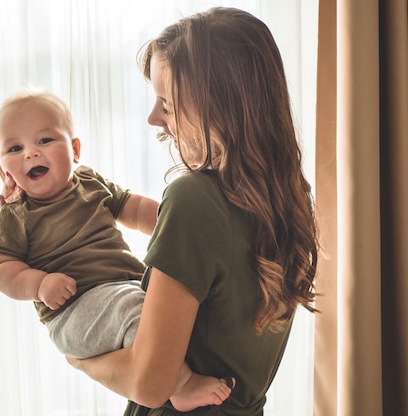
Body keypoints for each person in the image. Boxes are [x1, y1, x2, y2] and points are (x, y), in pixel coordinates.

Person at [66, 7, 319, 416]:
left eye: (166, 104)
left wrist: (77, 356)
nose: (153, 118)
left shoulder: (194, 199)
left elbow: (150, 385)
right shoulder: (287, 200)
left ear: (218, 106)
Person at [0, 88, 234, 411]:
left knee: (160, 302)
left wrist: (173, 222)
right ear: (0, 161)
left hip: (123, 288)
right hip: (73, 309)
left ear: (75, 149)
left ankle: (172, 368)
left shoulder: (89, 181)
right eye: (14, 148)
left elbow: (134, 208)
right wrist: (39, 284)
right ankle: (180, 385)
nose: (30, 154)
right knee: (137, 313)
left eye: (45, 141)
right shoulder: (16, 213)